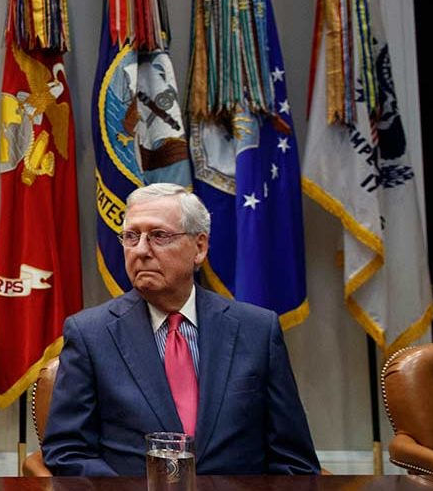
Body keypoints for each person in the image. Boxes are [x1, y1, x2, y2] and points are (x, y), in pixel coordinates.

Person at [41, 182, 319, 476]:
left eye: (159, 236)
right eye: (131, 236)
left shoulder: (257, 331)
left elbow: (294, 460)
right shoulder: (90, 334)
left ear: (199, 247)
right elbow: (67, 451)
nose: (141, 250)